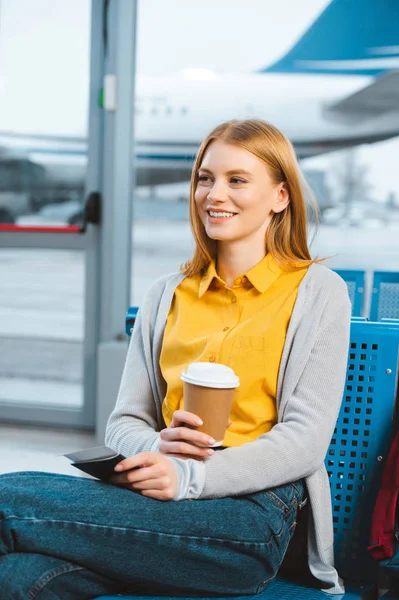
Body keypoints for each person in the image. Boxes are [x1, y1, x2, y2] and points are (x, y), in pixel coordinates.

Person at [0, 119, 351, 599]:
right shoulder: (166, 294)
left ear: (280, 197)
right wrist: (158, 448)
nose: (214, 194)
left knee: (7, 499)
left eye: (237, 180)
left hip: (251, 520)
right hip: (156, 506)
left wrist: (191, 476)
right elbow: (124, 421)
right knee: (19, 578)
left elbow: (305, 442)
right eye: (205, 178)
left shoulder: (318, 293)